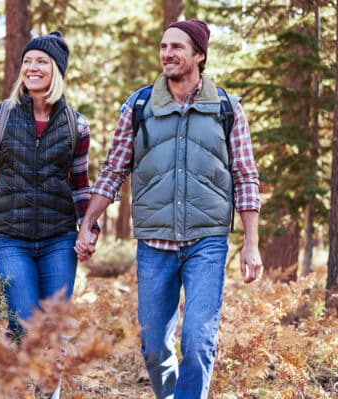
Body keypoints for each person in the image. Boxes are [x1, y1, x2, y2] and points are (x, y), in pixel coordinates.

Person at [75, 19, 263, 399]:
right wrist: (88, 224)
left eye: (177, 47)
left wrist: (251, 243)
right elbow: (114, 168)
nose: (167, 54)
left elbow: (245, 175)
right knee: (153, 345)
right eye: (163, 47)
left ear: (199, 55)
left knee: (197, 340)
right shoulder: (139, 105)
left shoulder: (227, 108)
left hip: (206, 243)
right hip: (154, 244)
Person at [0, 31, 98, 340]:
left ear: (56, 71)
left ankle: (47, 389)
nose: (32, 67)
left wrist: (89, 229)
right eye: (27, 61)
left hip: (59, 239)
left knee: (53, 328)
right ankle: (20, 380)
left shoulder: (77, 124)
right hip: (11, 239)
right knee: (24, 323)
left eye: (42, 61)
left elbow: (80, 188)